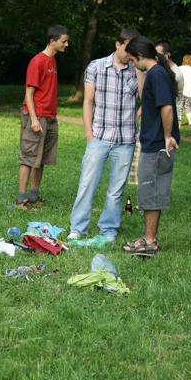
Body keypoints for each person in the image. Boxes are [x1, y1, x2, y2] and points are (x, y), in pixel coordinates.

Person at [67, 29, 144, 241]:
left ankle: (109, 229)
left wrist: (139, 70)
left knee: (116, 190)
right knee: (87, 184)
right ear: (118, 44)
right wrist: (89, 134)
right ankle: (78, 228)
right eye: (128, 48)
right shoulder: (96, 66)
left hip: (126, 140)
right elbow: (88, 102)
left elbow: (145, 97)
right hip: (99, 137)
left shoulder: (137, 69)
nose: (130, 54)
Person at [123, 36, 180, 257]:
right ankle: (148, 237)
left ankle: (150, 242)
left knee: (152, 191)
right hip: (152, 142)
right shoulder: (155, 73)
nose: (131, 64)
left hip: (157, 144)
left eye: (132, 60)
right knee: (148, 192)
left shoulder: (156, 75)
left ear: (140, 56)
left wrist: (167, 136)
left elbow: (167, 107)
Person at [15, 25, 69, 210]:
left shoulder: (52, 61)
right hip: (36, 116)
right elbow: (29, 93)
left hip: (49, 116)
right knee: (28, 158)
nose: (66, 44)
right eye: (64, 41)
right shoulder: (37, 62)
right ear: (52, 41)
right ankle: (21, 200)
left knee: (41, 159)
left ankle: (34, 196)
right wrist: (34, 119)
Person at [155, 41, 184, 127]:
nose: (155, 58)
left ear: (168, 55)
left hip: (170, 118)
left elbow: (178, 99)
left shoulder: (177, 74)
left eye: (158, 55)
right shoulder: (158, 69)